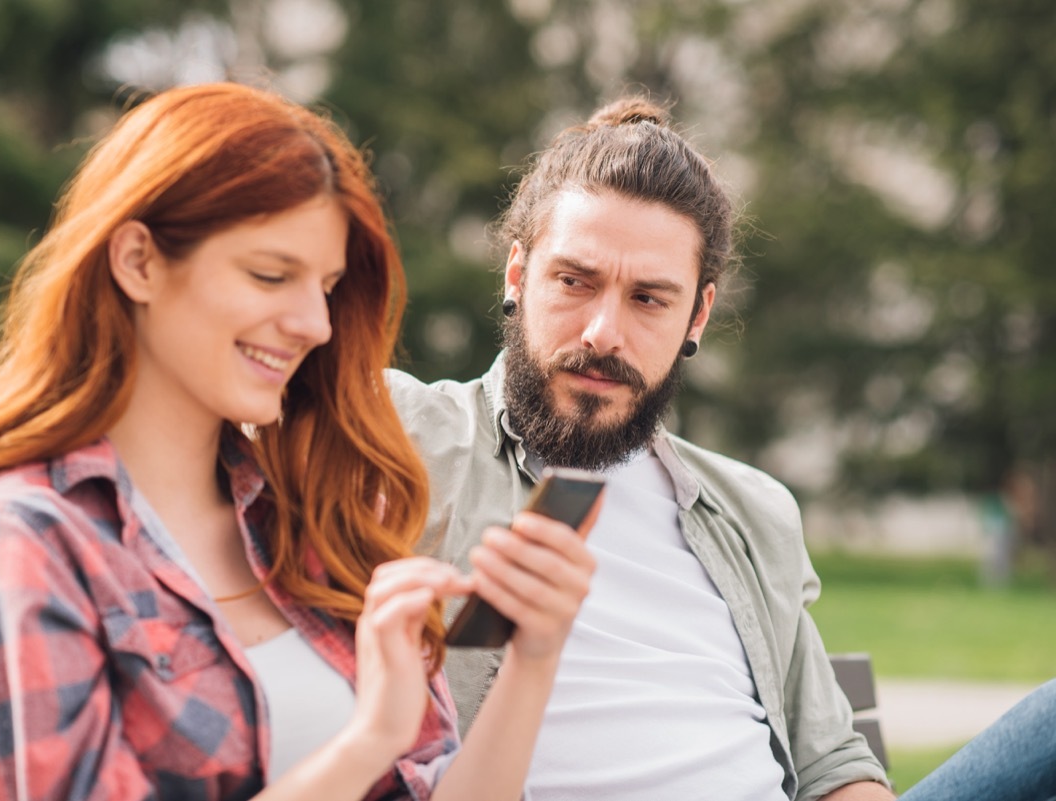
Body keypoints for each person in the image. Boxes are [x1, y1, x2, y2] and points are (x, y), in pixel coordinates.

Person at [0, 83, 596, 801]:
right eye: (271, 274)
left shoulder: (310, 521)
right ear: (138, 261)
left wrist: (534, 653)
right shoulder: (22, 542)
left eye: (327, 286)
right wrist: (365, 742)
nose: (315, 322)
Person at [386, 97, 1056, 801]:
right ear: (517, 276)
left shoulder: (750, 509)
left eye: (649, 299)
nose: (603, 332)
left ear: (697, 315)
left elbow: (832, 762)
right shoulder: (407, 434)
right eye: (574, 281)